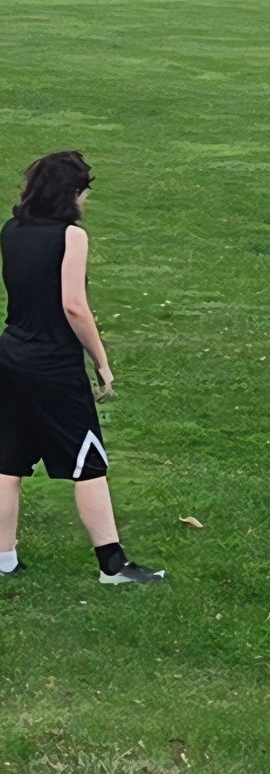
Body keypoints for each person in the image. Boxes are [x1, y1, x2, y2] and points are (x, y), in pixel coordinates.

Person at [0, 151, 166, 583]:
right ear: (70, 194)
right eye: (83, 193)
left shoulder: (11, 230)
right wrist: (102, 362)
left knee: (8, 460)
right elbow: (73, 306)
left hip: (11, 355)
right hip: (53, 365)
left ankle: (3, 560)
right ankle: (113, 565)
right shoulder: (71, 237)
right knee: (88, 462)